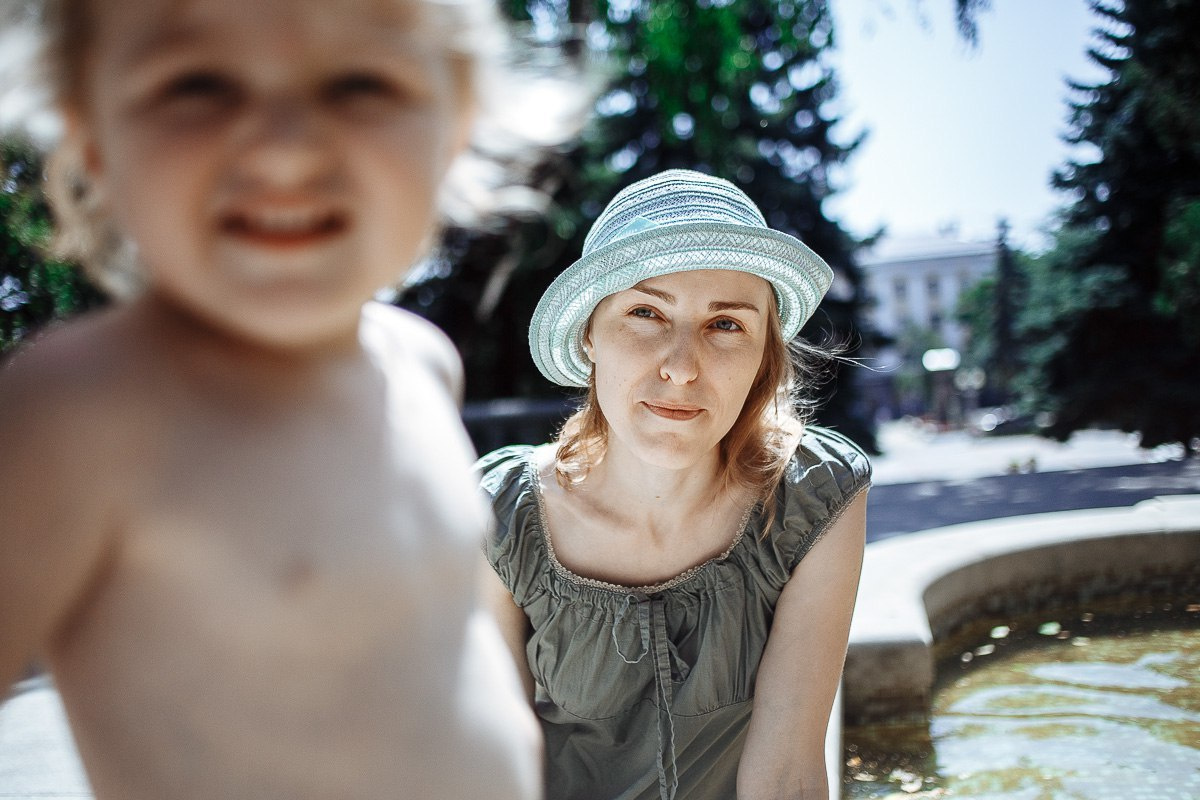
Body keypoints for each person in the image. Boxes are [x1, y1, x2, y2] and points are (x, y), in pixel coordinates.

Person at [0, 0, 579, 797]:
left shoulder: (421, 364)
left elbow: (456, 635)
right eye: (197, 83)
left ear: (456, 124)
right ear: (89, 135)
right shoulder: (83, 410)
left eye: (358, 83)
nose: (285, 149)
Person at [477, 169, 872, 800]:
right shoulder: (497, 515)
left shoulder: (816, 495)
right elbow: (490, 775)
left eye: (725, 325)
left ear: (763, 356)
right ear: (589, 335)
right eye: (645, 312)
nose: (683, 367)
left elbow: (787, 774)